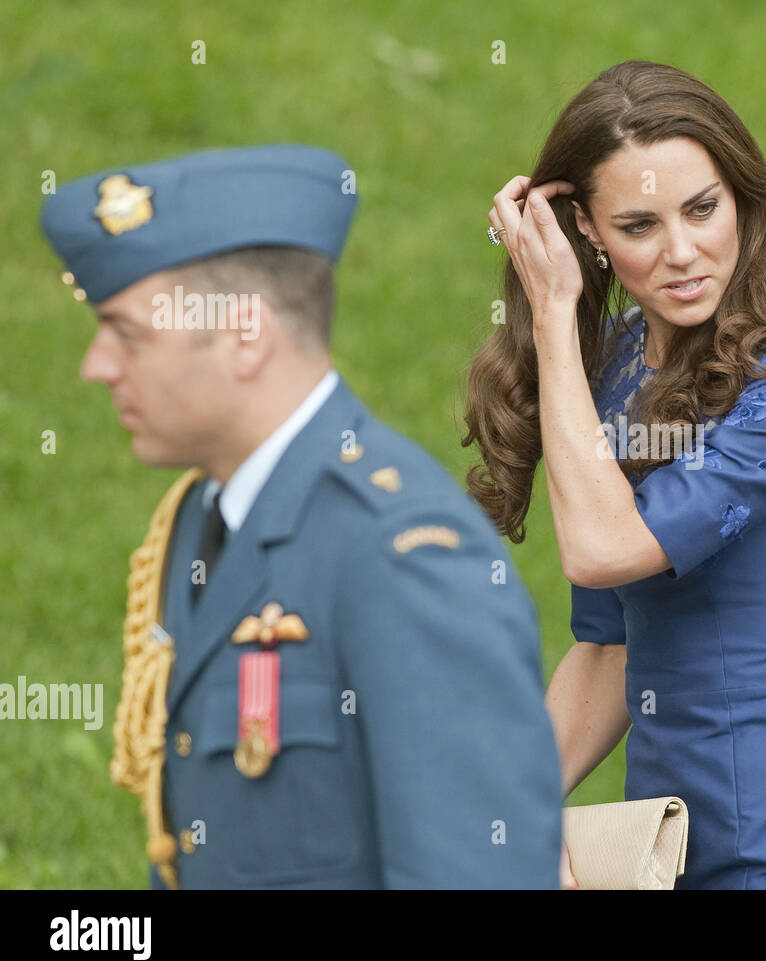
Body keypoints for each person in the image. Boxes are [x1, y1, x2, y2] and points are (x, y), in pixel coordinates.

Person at [40, 144, 562, 889]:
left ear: (244, 336)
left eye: (127, 333)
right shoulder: (204, 516)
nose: (96, 364)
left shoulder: (403, 554)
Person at [463, 61, 766, 889]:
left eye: (702, 209)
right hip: (652, 855)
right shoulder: (614, 364)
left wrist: (554, 316)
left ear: (741, 197)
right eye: (639, 225)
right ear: (585, 229)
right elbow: (607, 647)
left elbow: (603, 550)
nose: (682, 253)